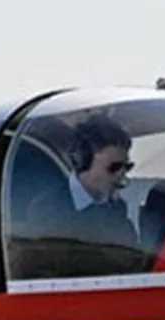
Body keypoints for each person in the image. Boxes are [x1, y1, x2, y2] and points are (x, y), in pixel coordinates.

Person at [21, 114, 139, 275]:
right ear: (83, 159)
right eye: (114, 167)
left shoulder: (117, 210)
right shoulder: (47, 209)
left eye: (126, 167)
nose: (121, 175)